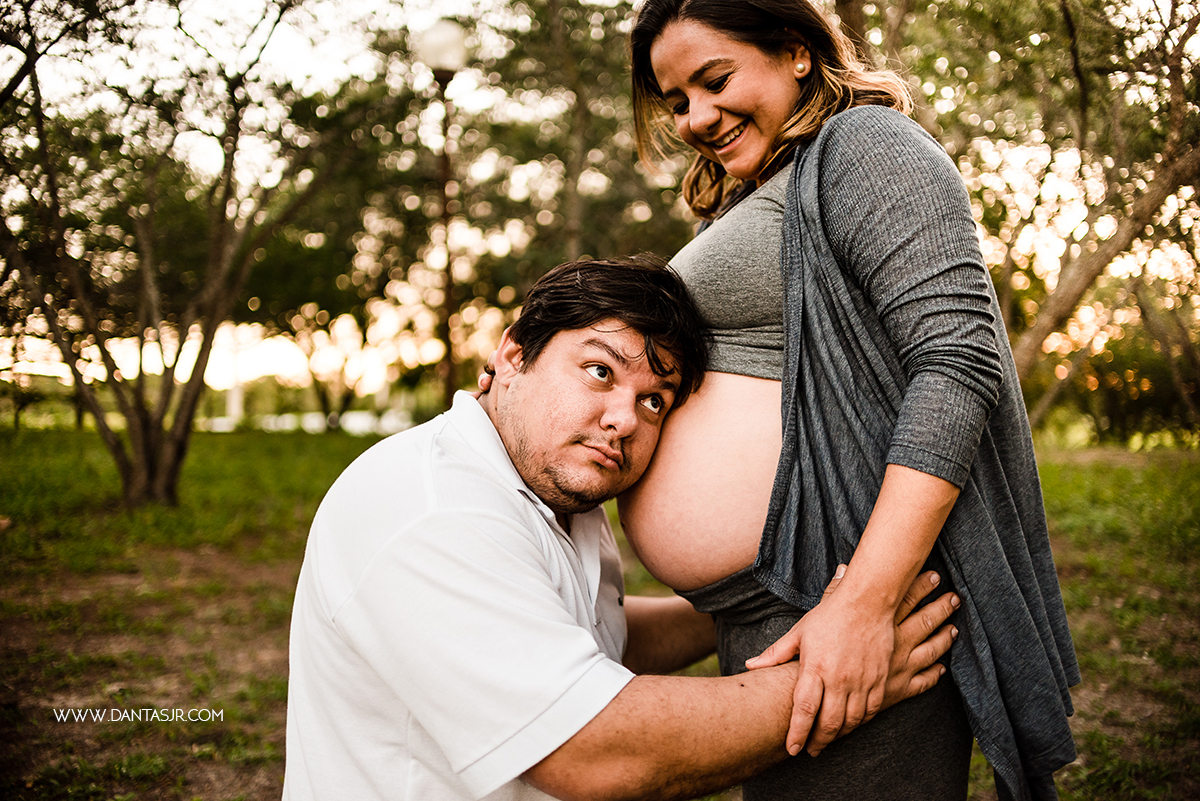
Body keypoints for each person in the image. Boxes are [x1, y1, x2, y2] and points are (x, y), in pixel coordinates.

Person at [615, 2, 1081, 800]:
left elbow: (958, 359)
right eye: (676, 100)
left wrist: (865, 604)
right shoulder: (767, 187)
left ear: (796, 51)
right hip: (779, 605)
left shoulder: (866, 144)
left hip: (856, 605)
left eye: (714, 80)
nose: (694, 117)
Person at [282, 255, 961, 801]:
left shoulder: (550, 495)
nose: (623, 420)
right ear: (514, 356)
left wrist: (783, 598)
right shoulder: (430, 508)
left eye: (653, 400)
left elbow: (582, 638)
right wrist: (847, 672)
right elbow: (598, 753)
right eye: (599, 371)